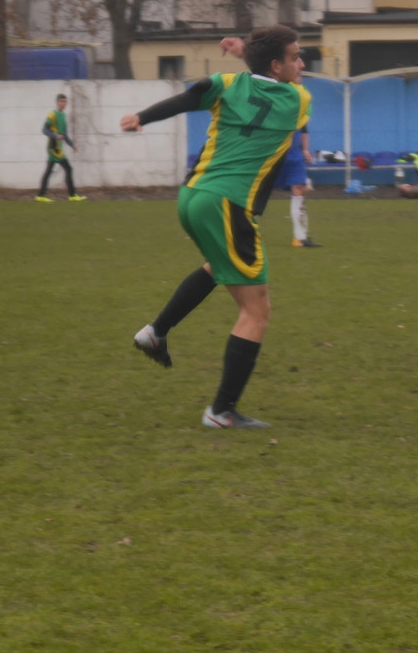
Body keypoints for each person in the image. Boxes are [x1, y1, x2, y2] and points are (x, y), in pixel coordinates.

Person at [122, 25, 311, 428]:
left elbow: (190, 96)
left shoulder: (226, 83)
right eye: (296, 56)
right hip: (229, 204)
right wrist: (250, 52)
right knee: (257, 310)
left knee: (217, 267)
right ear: (278, 66)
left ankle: (155, 332)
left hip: (193, 195)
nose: (302, 63)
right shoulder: (297, 99)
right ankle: (221, 411)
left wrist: (142, 117)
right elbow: (271, 81)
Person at [276, 124, 322, 247]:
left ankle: (300, 238)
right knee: (258, 192)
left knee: (299, 190)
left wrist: (305, 149)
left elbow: (304, 128)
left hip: (295, 155)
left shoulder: (301, 107)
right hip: (275, 154)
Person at [36, 93, 86, 202]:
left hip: (58, 148)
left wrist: (72, 145)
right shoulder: (52, 115)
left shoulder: (63, 116)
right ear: (57, 102)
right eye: (62, 101)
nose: (64, 103)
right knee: (67, 168)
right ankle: (72, 195)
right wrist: (56, 136)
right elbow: (44, 130)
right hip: (53, 148)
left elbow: (65, 135)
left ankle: (41, 195)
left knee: (49, 171)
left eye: (65, 101)